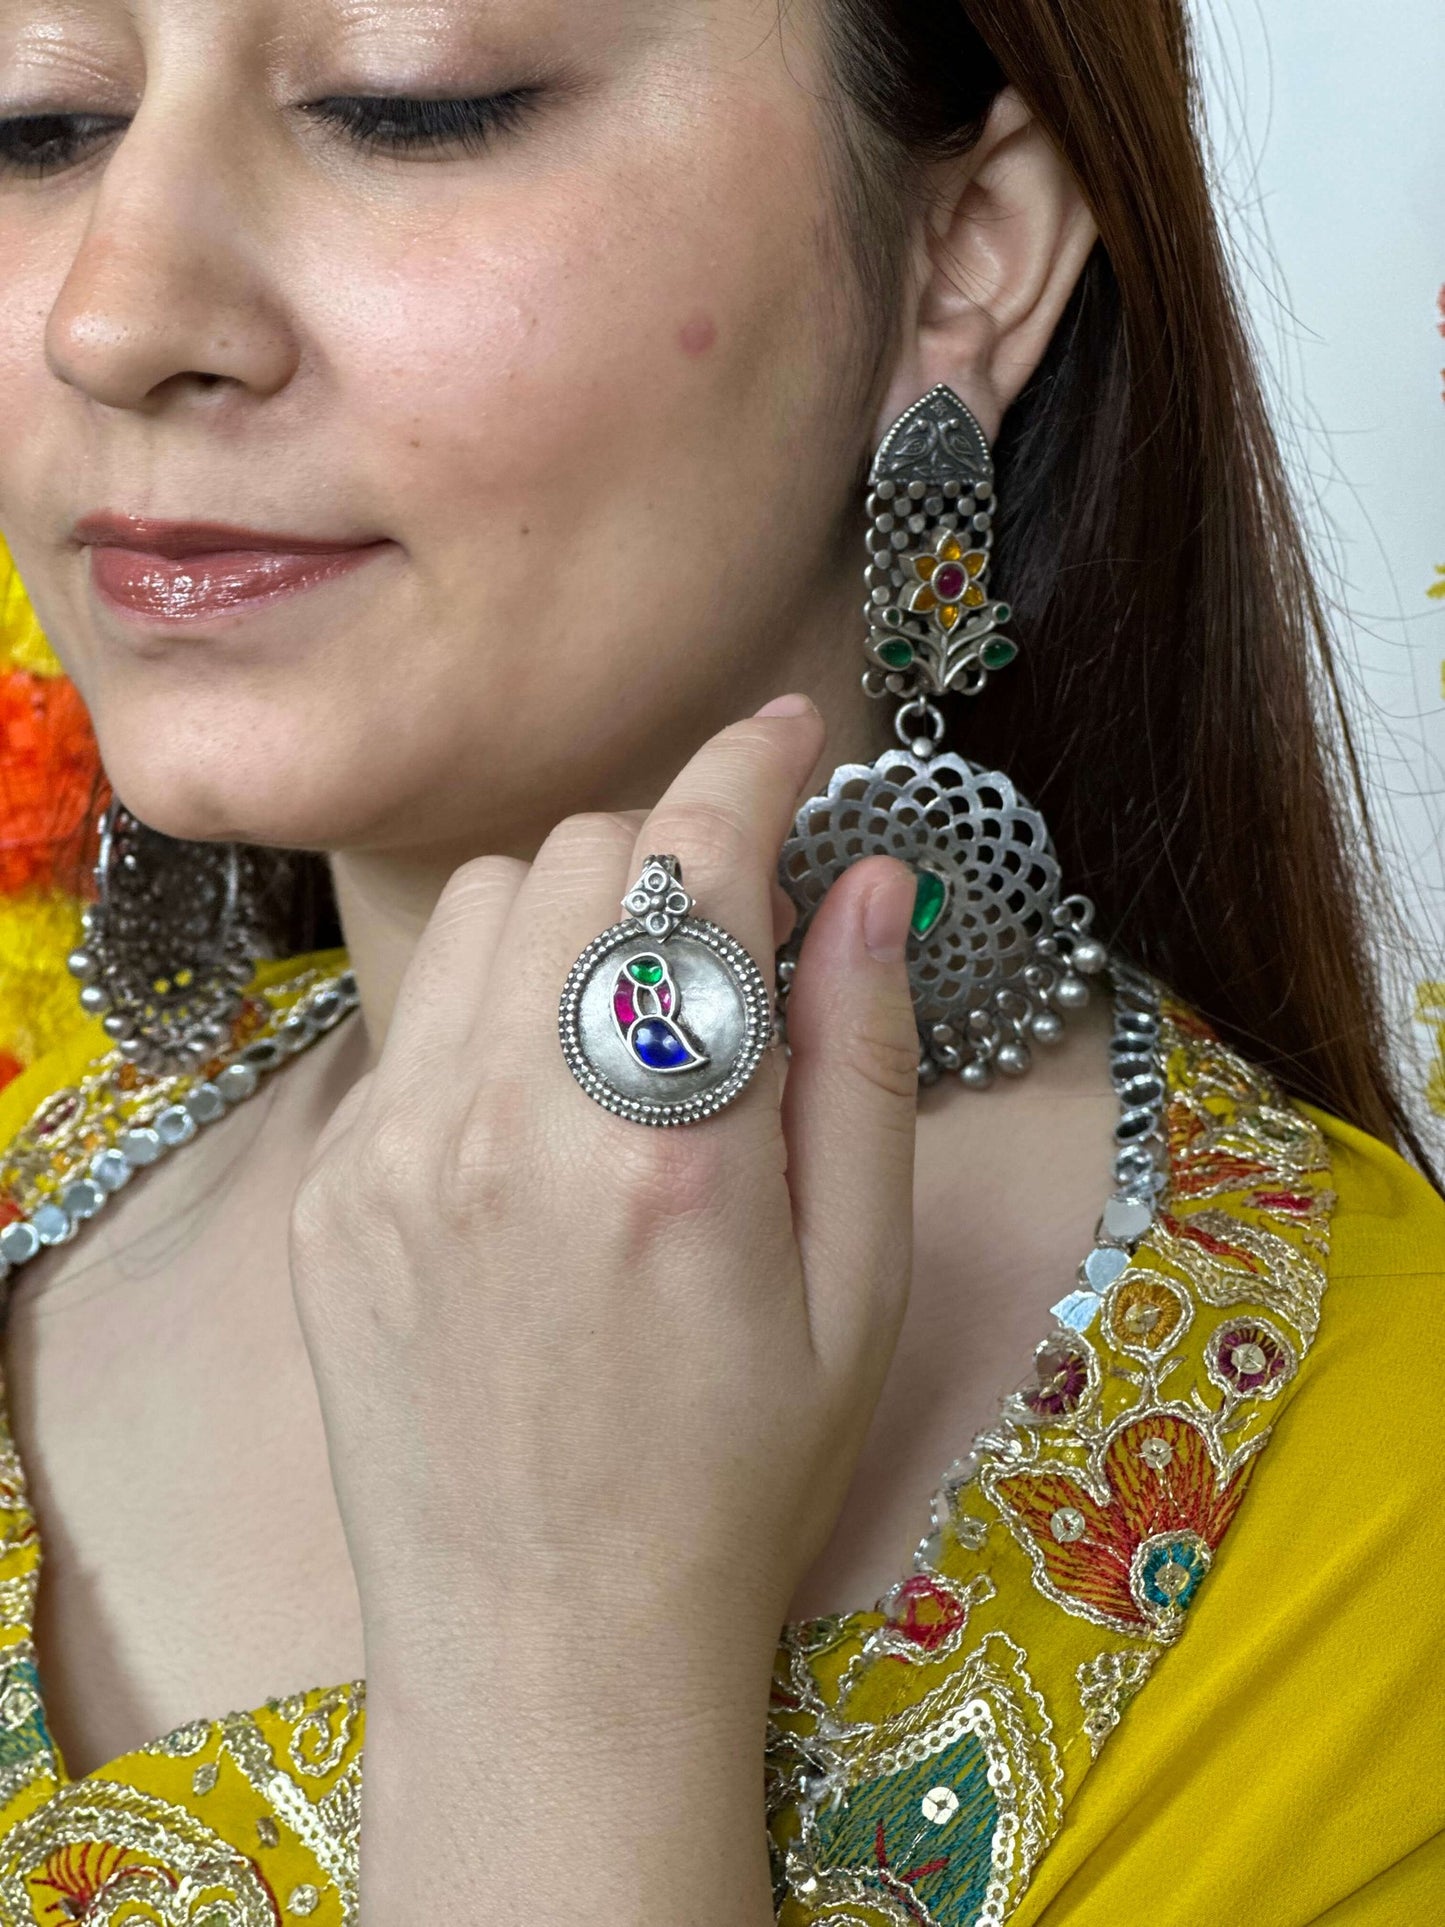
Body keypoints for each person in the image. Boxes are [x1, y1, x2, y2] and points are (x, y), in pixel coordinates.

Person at [0, 0, 1439, 1921]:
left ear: (969, 248)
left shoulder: (1378, 1513)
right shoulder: (52, 1201)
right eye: (33, 127)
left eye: (407, 104)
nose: (113, 313)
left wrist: (559, 1675)